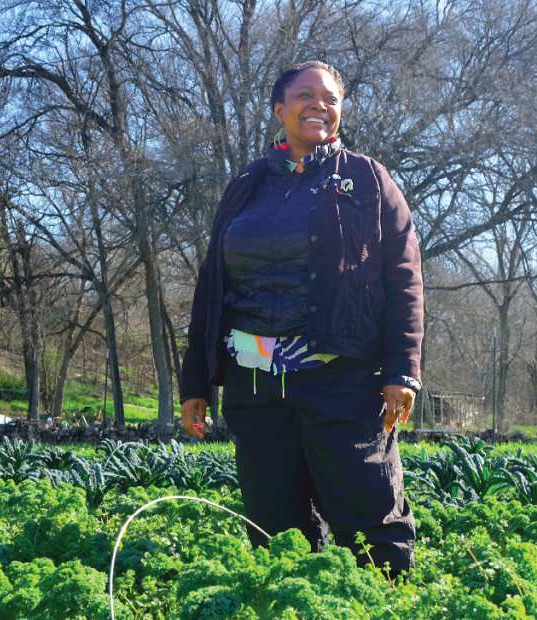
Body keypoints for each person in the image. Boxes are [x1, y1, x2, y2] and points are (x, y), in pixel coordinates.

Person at [179, 61, 423, 577]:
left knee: (366, 512)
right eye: (305, 95)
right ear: (279, 110)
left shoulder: (369, 180)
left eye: (330, 97)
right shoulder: (246, 184)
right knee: (274, 529)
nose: (319, 105)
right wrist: (195, 381)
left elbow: (403, 276)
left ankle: (388, 603)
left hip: (341, 380)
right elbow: (212, 284)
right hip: (254, 384)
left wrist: (402, 371)